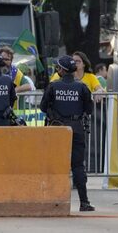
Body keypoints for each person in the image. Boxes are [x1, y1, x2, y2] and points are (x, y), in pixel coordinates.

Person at [40, 55, 95, 212]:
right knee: (78, 165)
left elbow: (43, 107)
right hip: (76, 128)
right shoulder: (82, 86)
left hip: (57, 129)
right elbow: (89, 109)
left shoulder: (52, 86)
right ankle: (84, 202)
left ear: (62, 70)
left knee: (55, 165)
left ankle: (53, 201)